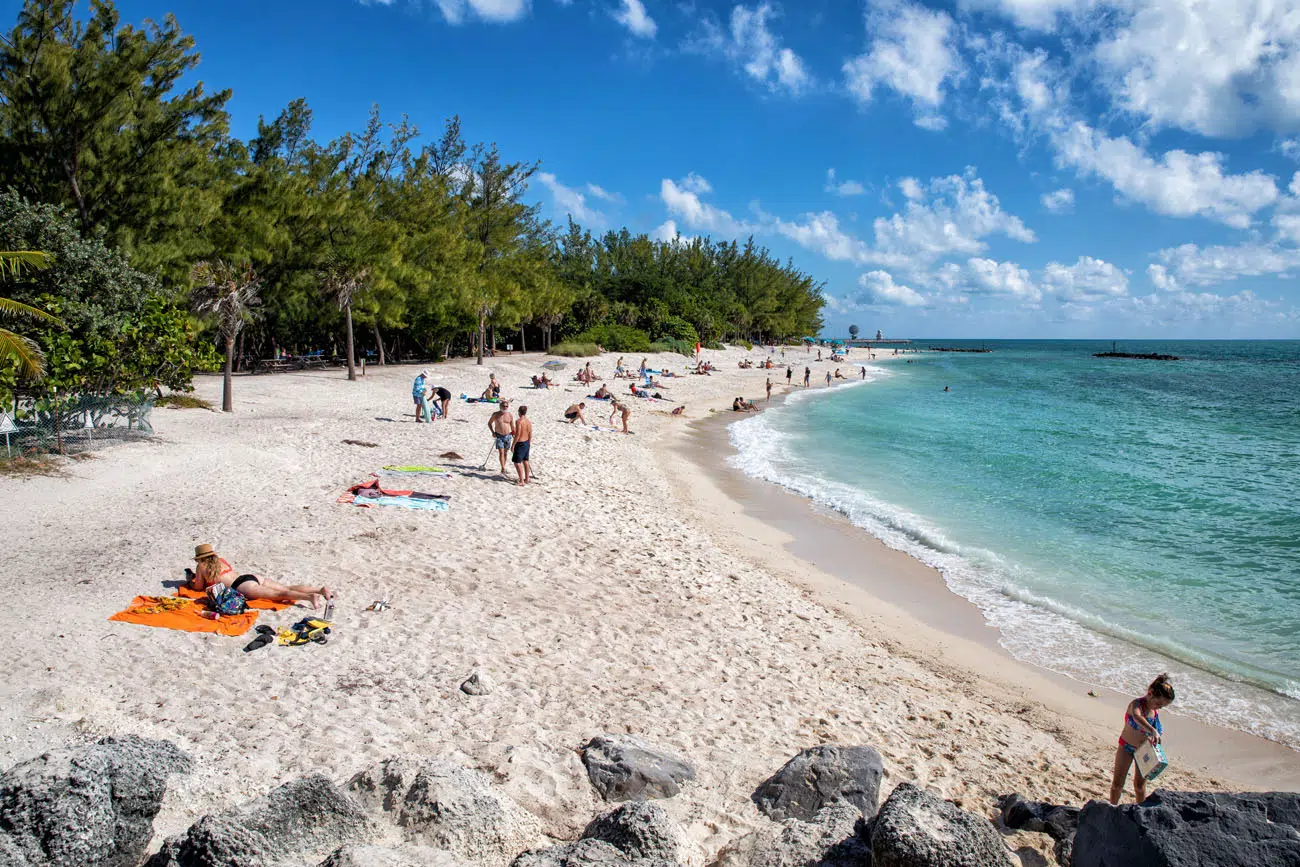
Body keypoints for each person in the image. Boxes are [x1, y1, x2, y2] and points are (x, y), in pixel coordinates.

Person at [187, 544, 331, 609]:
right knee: (287, 587)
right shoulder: (221, 561)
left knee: (281, 594)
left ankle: (309, 597)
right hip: (250, 576)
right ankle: (320, 590)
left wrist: (191, 581)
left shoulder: (201, 566)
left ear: (200, 558)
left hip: (241, 586)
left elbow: (198, 587)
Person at [1109, 674, 1176, 805]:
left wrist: (1155, 737)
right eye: (1158, 703)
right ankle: (1112, 807)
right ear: (1150, 694)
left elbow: (1157, 734)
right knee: (1117, 784)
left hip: (1143, 752)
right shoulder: (1136, 705)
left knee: (1140, 786)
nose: (1158, 707)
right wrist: (1152, 730)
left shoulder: (1154, 713)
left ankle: (1142, 810)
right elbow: (1136, 717)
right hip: (1126, 747)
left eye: (1162, 706)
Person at [488, 400, 515, 475]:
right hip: (499, 435)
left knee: (506, 453)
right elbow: (489, 423)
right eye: (504, 406)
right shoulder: (495, 414)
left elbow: (512, 426)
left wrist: (514, 433)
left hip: (508, 436)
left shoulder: (509, 415)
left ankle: (503, 467)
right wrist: (492, 432)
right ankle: (503, 468)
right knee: (501, 452)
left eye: (507, 406)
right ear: (500, 406)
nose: (505, 407)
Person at [512, 405, 533, 486]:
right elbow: (530, 433)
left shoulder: (519, 421)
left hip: (520, 443)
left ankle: (521, 481)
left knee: (517, 462)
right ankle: (527, 479)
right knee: (525, 461)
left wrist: (513, 444)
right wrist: (529, 442)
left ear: (519, 412)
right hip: (527, 442)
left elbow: (518, 434)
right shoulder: (528, 421)